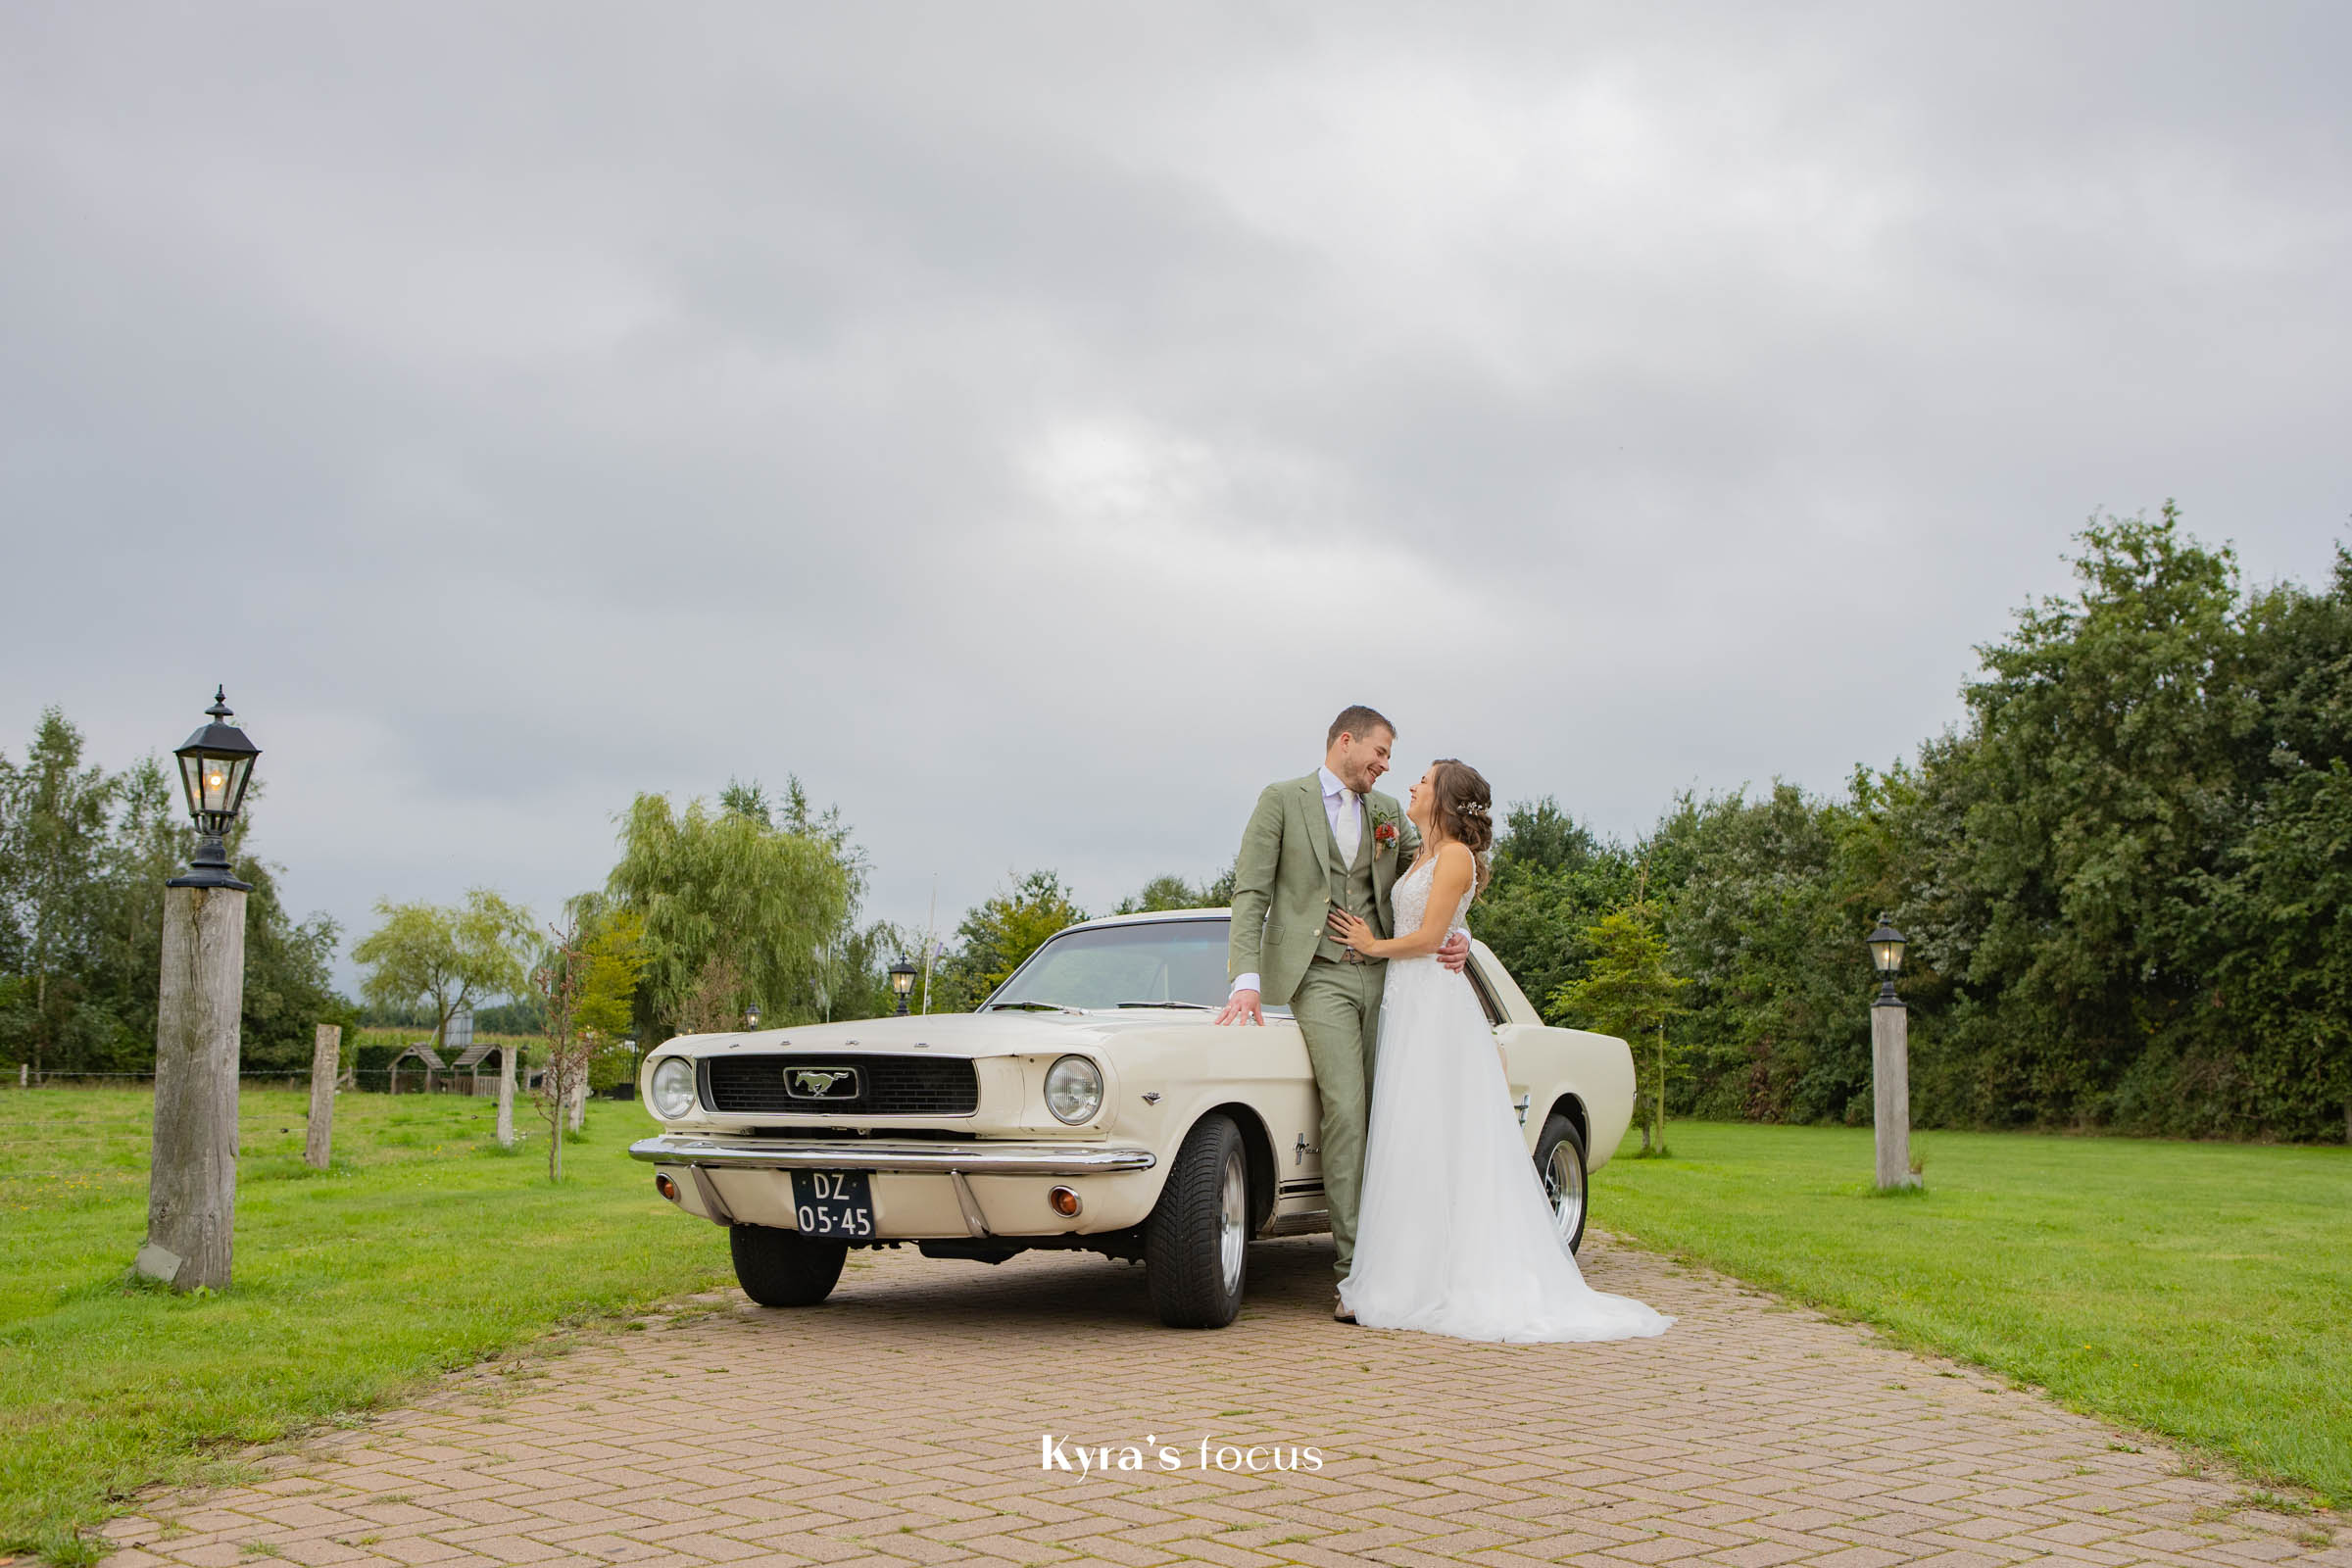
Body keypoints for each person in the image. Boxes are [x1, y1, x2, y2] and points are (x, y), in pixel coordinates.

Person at [1325, 759, 1674, 1344]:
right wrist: (1456, 935)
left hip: (1434, 1007)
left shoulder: (1456, 856)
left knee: (1437, 1133)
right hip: (1408, 1005)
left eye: (1424, 781)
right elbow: (1443, 925)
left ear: (1444, 798)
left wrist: (1370, 944)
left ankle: (1440, 1280)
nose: (1412, 785)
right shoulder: (1420, 852)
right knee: (1411, 1135)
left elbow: (1430, 937)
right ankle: (1409, 1273)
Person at [1216, 705, 1473, 1322]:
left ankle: (1407, 1261)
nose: (1386, 767)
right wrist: (1246, 981)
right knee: (1348, 1113)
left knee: (1395, 1113)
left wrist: (1461, 933)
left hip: (1389, 977)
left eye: (1390, 759)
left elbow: (1436, 873)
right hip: (1320, 975)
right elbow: (1251, 892)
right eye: (1380, 753)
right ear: (1346, 741)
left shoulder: (1387, 812)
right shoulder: (1282, 800)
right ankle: (1355, 1275)